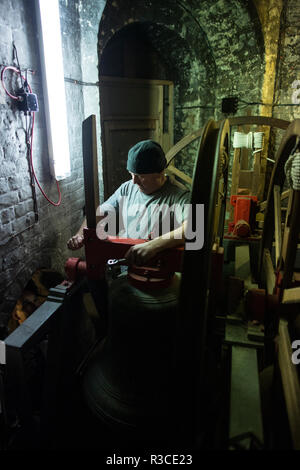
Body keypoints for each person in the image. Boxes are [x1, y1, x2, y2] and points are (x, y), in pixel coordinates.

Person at [67, 140, 190, 265]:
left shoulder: (181, 196)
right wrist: (81, 234)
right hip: (126, 262)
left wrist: (153, 246)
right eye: (132, 175)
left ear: (160, 172)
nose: (134, 181)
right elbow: (101, 213)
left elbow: (193, 229)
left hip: (158, 268)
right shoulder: (127, 188)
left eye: (141, 176)